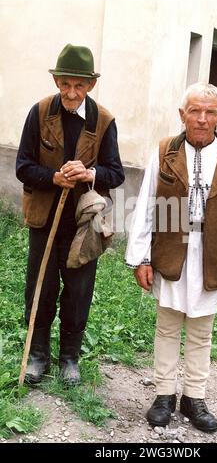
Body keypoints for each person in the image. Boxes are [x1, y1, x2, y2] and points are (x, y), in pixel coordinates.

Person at [125, 82, 217, 432]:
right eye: (195, 111)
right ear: (182, 115)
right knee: (167, 326)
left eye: (209, 112)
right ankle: (164, 395)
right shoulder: (164, 152)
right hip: (171, 252)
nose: (202, 119)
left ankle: (194, 398)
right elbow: (145, 208)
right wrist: (141, 258)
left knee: (202, 332)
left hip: (212, 255)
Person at [16, 44, 125, 386]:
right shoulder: (39, 112)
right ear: (56, 80)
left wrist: (89, 173)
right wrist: (53, 177)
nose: (71, 92)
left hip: (84, 226)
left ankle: (69, 359)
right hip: (44, 220)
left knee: (78, 291)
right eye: (65, 84)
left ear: (90, 85)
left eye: (79, 85)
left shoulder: (103, 120)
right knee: (41, 288)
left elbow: (116, 173)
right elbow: (23, 166)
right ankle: (37, 355)